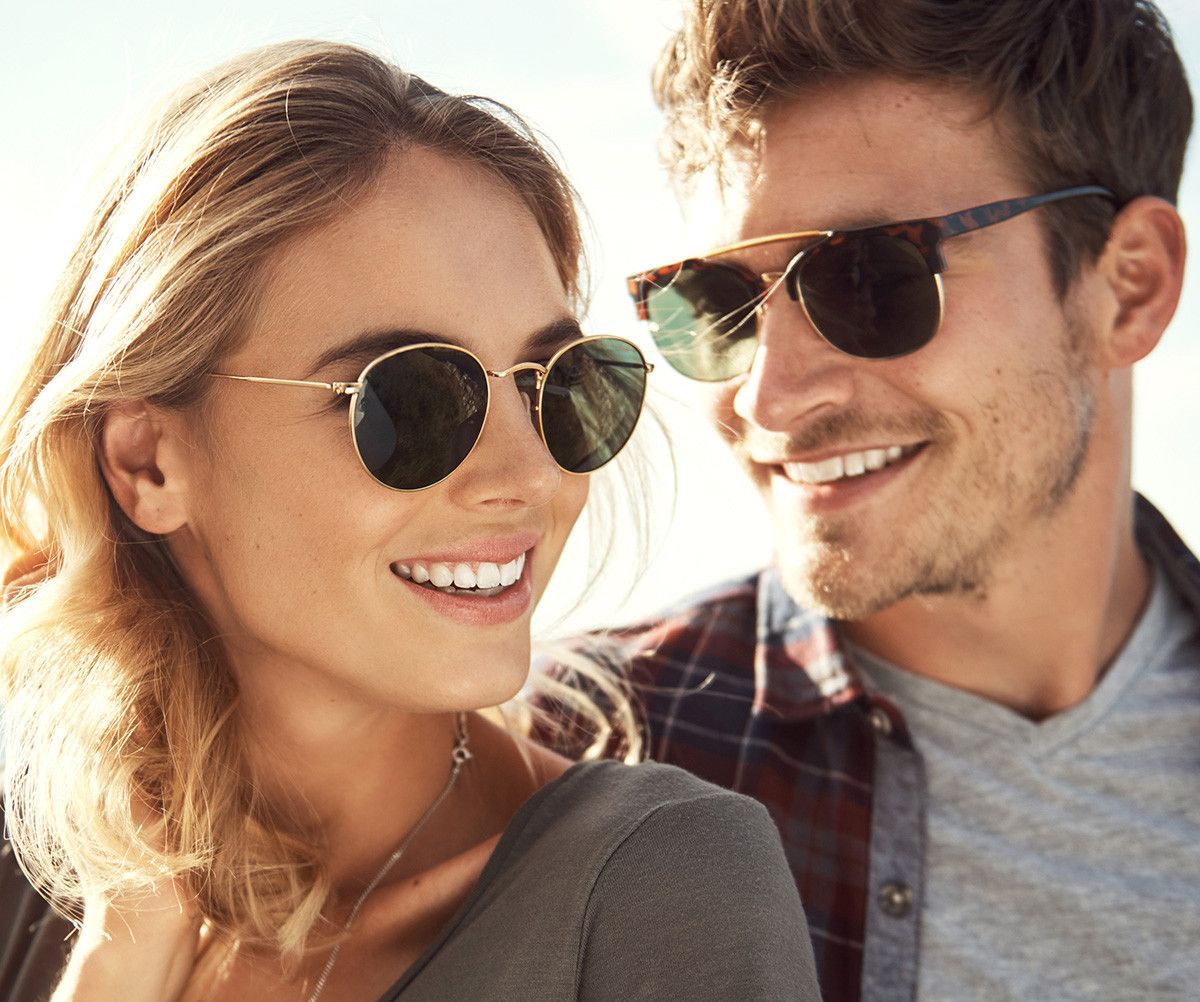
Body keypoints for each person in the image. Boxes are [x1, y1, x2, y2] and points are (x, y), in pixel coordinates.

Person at [0, 41, 820, 1002]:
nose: (528, 475)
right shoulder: (39, 854)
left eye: (557, 385)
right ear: (148, 462)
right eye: (415, 399)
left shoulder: (659, 889)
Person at [598, 0, 1200, 999]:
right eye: (714, 305)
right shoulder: (581, 767)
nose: (768, 397)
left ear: (1128, 287)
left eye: (869, 277)